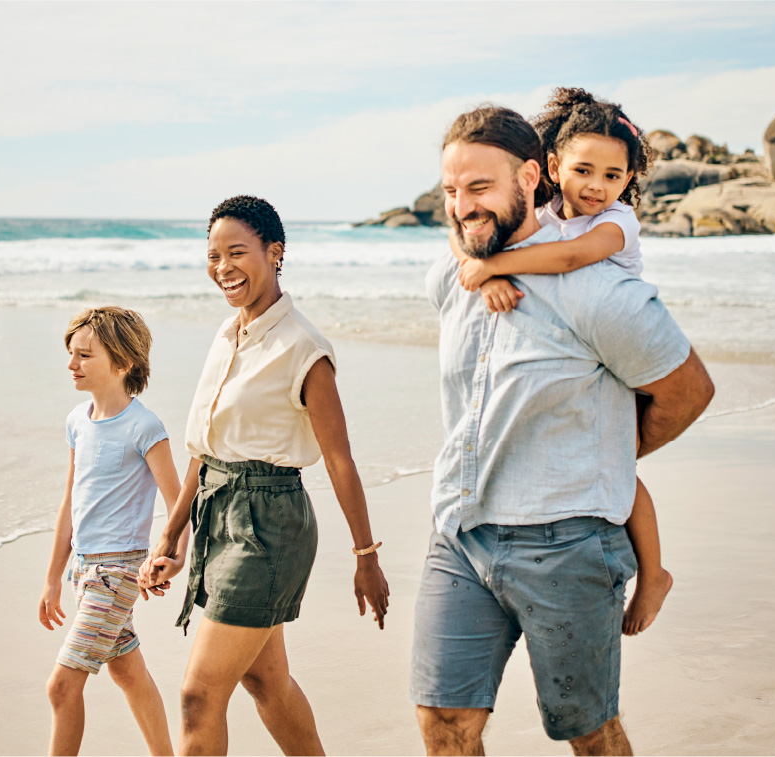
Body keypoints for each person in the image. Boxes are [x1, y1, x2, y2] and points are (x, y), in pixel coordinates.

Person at [412, 105, 714, 756]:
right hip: (459, 535)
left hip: (567, 541)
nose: (462, 206)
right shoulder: (454, 277)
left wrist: (604, 455)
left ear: (528, 177)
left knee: (587, 733)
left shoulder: (600, 292)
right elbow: (466, 250)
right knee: (442, 724)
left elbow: (687, 392)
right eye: (450, 190)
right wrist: (481, 264)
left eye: (480, 188)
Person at [138, 195, 390, 756]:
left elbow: (341, 459)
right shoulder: (227, 335)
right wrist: (171, 536)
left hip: (269, 526)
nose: (222, 267)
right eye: (212, 255)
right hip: (218, 514)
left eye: (236, 252)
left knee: (198, 694)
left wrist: (365, 556)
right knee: (264, 680)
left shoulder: (305, 348)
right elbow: (203, 449)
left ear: (274, 253)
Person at [448, 88, 670, 636]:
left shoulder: (618, 222)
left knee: (619, 468)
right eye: (584, 170)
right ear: (552, 166)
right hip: (577, 351)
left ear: (627, 182)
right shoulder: (542, 211)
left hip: (616, 353)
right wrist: (488, 272)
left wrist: (496, 263)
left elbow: (573, 257)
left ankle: (655, 572)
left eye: (613, 176)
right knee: (608, 464)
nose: (597, 186)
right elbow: (461, 237)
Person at [38, 306, 185, 756]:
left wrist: (173, 558)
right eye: (70, 353)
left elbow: (179, 501)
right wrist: (52, 579)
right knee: (127, 672)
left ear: (122, 363)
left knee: (61, 687)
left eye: (84, 355)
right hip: (83, 571)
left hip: (118, 573)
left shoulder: (144, 426)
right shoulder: (77, 422)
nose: (71, 364)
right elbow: (70, 503)